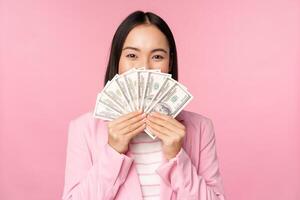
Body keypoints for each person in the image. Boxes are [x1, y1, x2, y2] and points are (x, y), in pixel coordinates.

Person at [62, 10, 226, 200]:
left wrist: (177, 157)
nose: (145, 68)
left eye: (157, 57)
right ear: (118, 60)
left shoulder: (200, 129)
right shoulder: (83, 129)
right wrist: (113, 152)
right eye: (132, 55)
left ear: (170, 62)